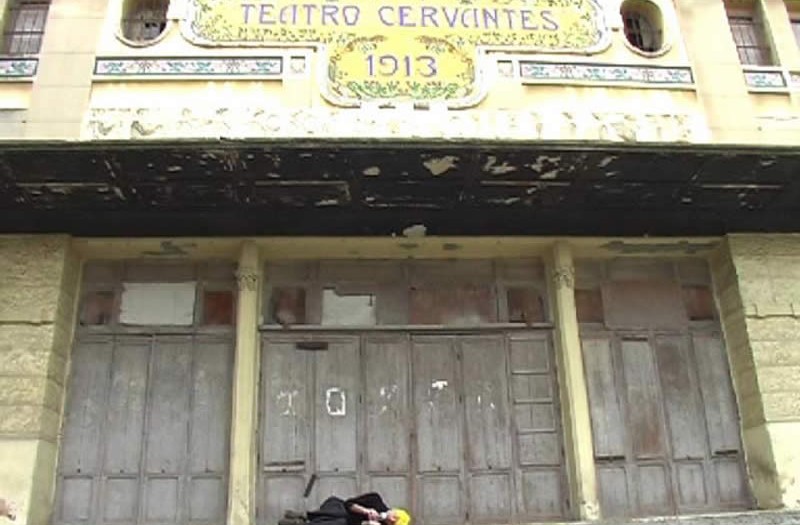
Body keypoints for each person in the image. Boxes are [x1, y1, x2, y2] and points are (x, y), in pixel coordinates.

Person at [305, 493, 409, 525]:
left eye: (393, 523)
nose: (391, 521)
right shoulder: (375, 500)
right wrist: (366, 511)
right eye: (394, 518)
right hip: (340, 513)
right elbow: (349, 504)